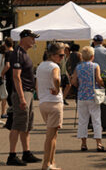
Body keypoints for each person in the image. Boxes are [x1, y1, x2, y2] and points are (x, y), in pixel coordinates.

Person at [5, 29, 41, 166]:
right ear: (24, 38)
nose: (34, 41)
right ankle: (12, 155)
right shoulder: (18, 53)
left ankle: (26, 152)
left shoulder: (24, 53)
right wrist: (21, 98)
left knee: (27, 124)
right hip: (22, 92)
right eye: (32, 38)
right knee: (18, 124)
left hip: (28, 92)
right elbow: (16, 77)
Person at [71, 45, 105, 152]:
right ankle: (99, 144)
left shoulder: (78, 67)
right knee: (96, 120)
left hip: (81, 96)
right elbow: (98, 79)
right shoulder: (95, 66)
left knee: (83, 120)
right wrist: (102, 85)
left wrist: (79, 86)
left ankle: (84, 144)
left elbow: (73, 81)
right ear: (92, 56)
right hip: (93, 96)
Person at [37, 42, 65, 170]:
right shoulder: (54, 66)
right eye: (61, 55)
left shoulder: (41, 66)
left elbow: (37, 84)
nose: (62, 58)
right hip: (54, 103)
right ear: (53, 55)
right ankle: (46, 164)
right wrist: (57, 89)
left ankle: (51, 162)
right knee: (51, 136)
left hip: (43, 102)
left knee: (53, 134)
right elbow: (56, 79)